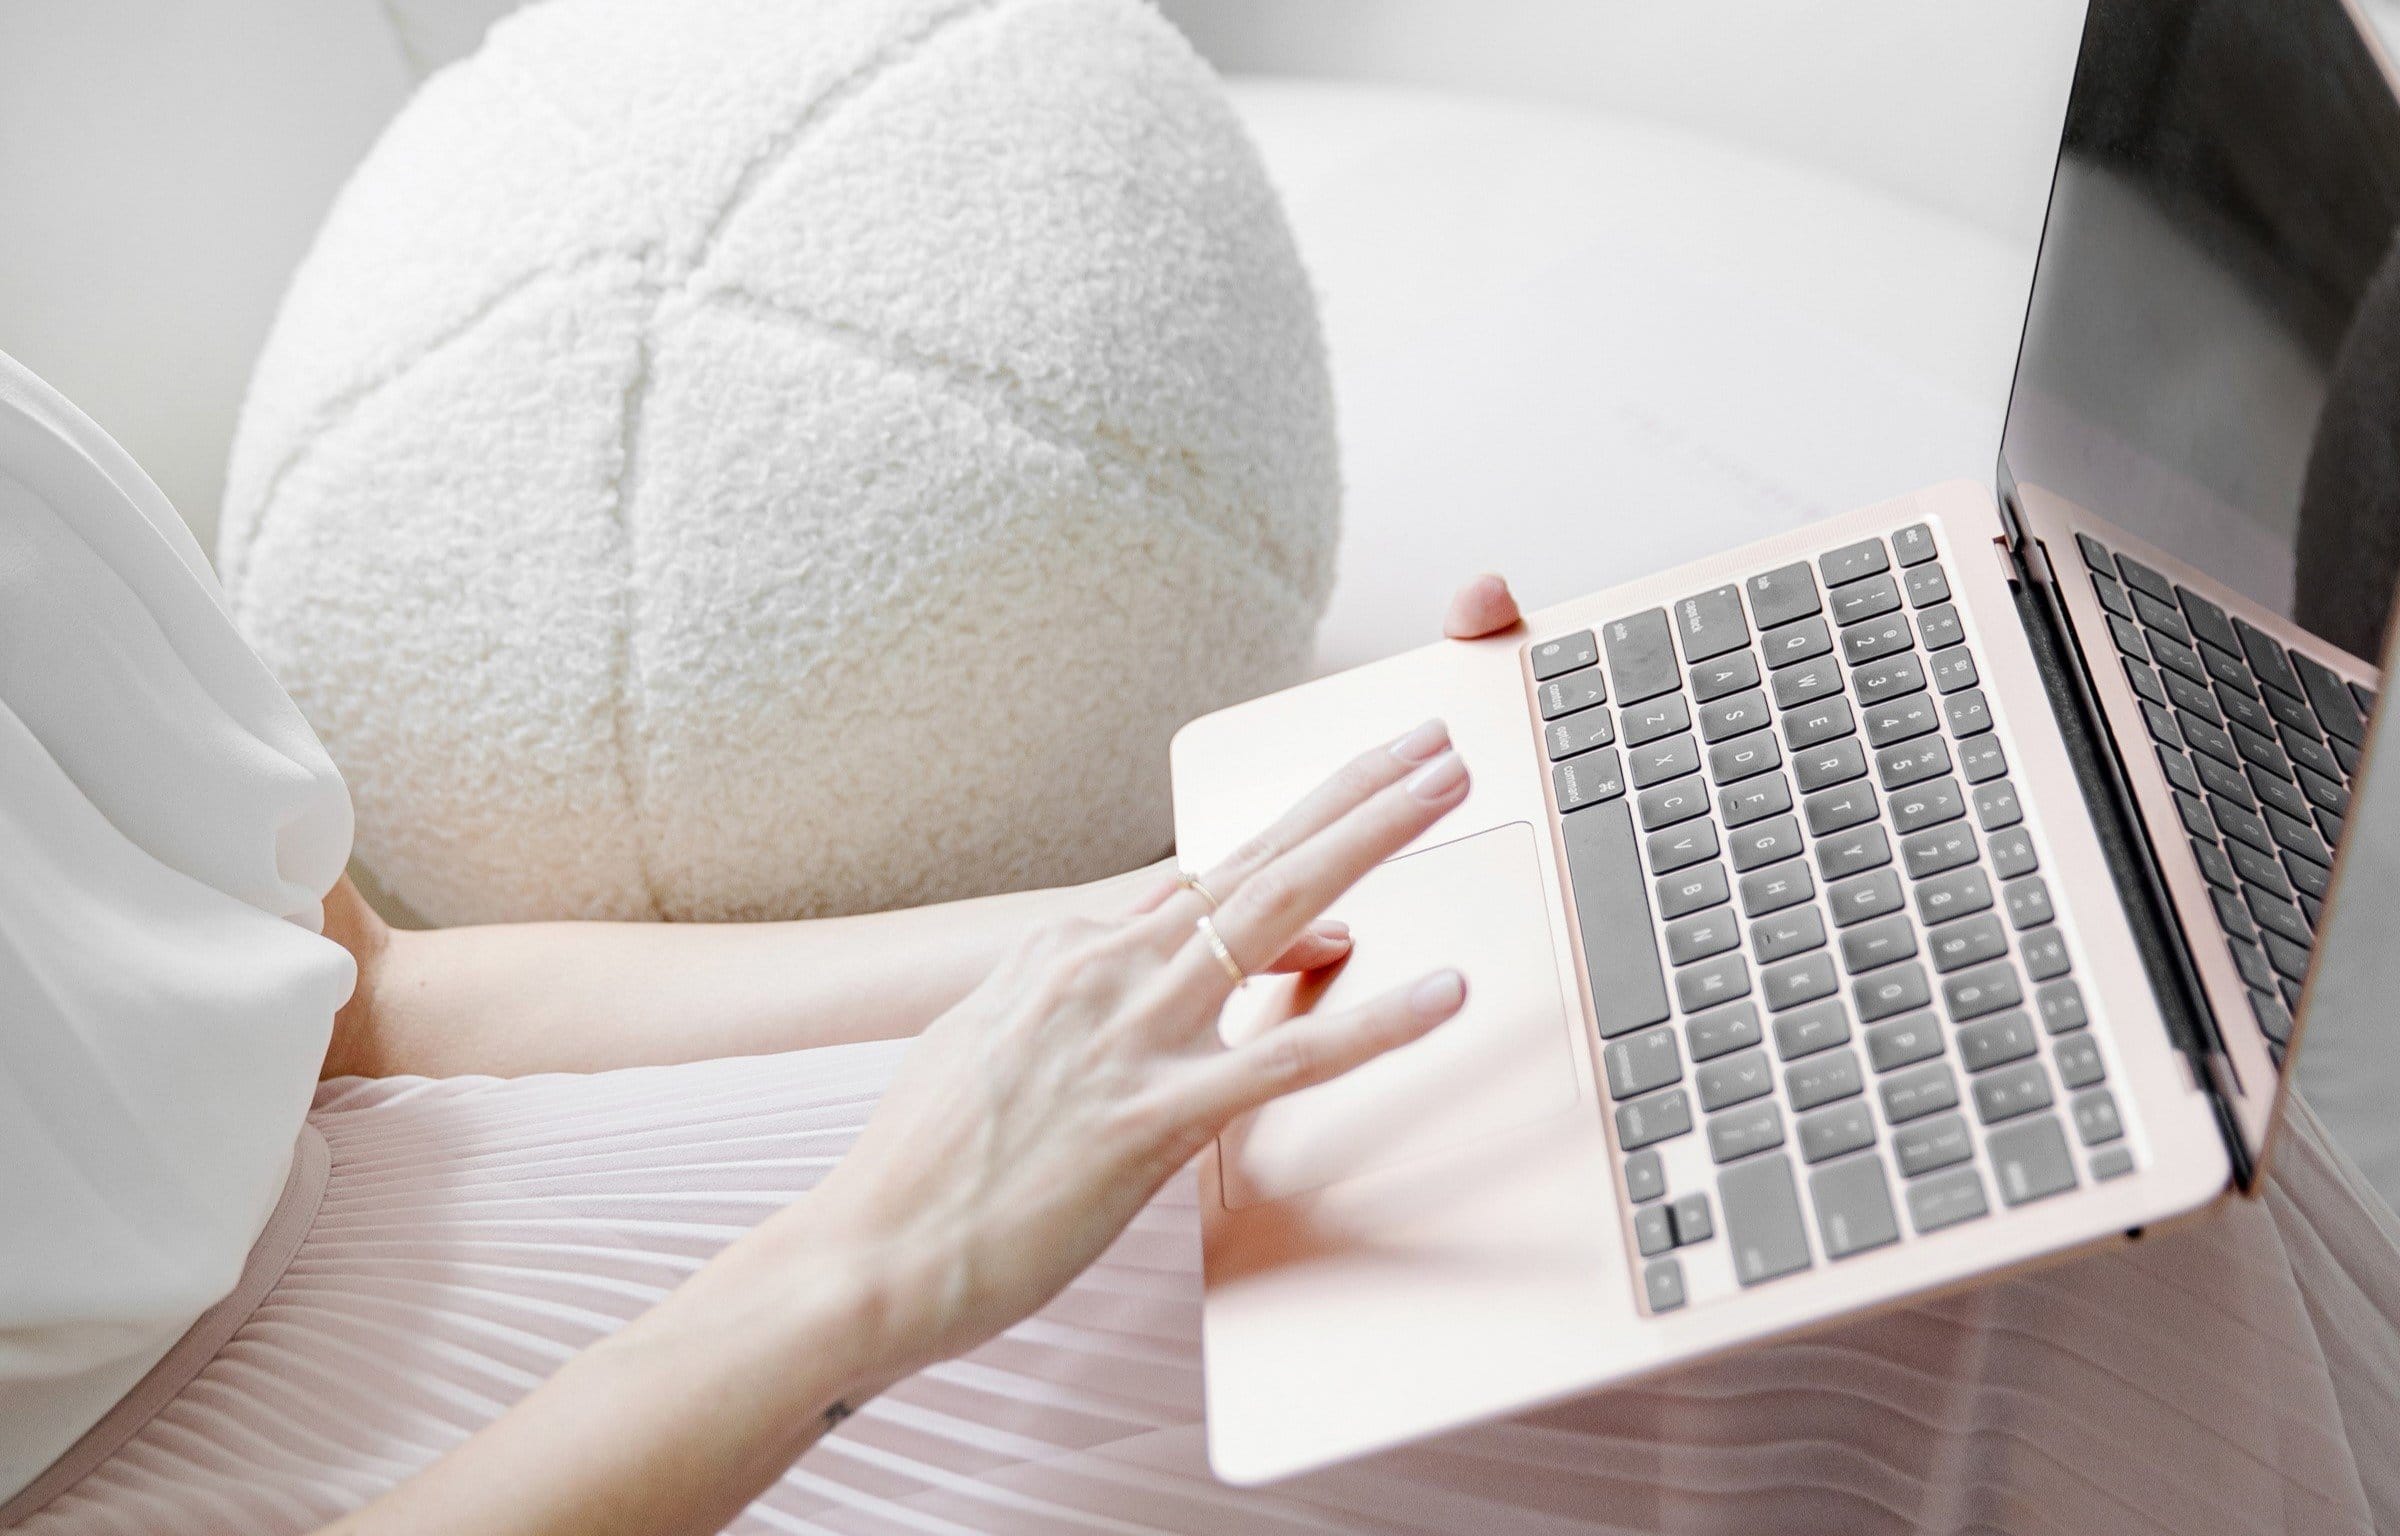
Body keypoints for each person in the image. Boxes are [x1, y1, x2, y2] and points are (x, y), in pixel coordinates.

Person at [4, 345, 2396, 1536]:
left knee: (1984, 1095)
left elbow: (365, 1002)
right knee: (2014, 1284)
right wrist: (870, 1261)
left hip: (522, 1189)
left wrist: (1226, 901)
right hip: (527, 1455)